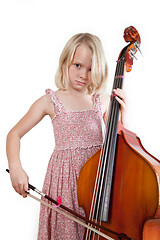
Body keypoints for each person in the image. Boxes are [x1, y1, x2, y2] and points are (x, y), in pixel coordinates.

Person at [6, 33, 127, 240]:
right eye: (77, 65)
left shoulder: (101, 101)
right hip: (63, 184)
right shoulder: (50, 101)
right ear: (65, 63)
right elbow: (14, 134)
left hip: (96, 183)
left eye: (91, 69)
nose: (83, 75)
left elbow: (119, 145)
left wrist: (123, 115)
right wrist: (15, 168)